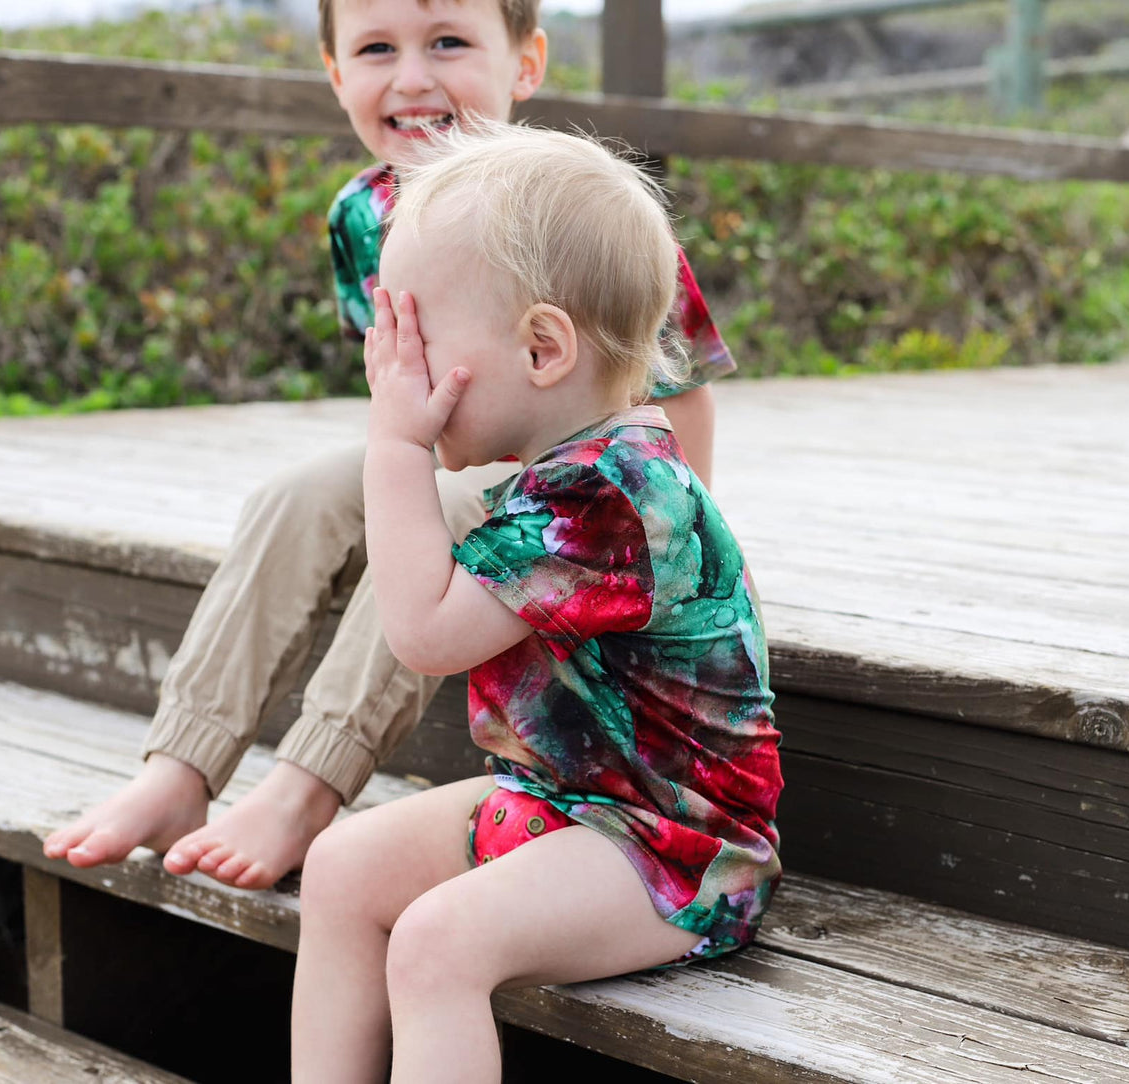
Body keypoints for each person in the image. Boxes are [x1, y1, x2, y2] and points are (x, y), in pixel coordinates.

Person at [43, 0, 735, 891]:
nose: (412, 77)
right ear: (336, 74)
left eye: (447, 42)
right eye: (376, 49)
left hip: (590, 496)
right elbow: (405, 385)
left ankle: (305, 783)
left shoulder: (583, 221)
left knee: (447, 510)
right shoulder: (361, 214)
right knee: (298, 494)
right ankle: (180, 764)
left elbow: (683, 388)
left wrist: (687, 538)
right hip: (472, 451)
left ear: (525, 63)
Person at [291, 122, 782, 1084]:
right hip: (567, 804)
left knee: (437, 942)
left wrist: (394, 449)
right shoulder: (570, 467)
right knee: (342, 869)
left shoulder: (609, 494)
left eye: (418, 339)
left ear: (542, 347)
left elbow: (425, 633)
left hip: (675, 849)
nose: (399, 371)